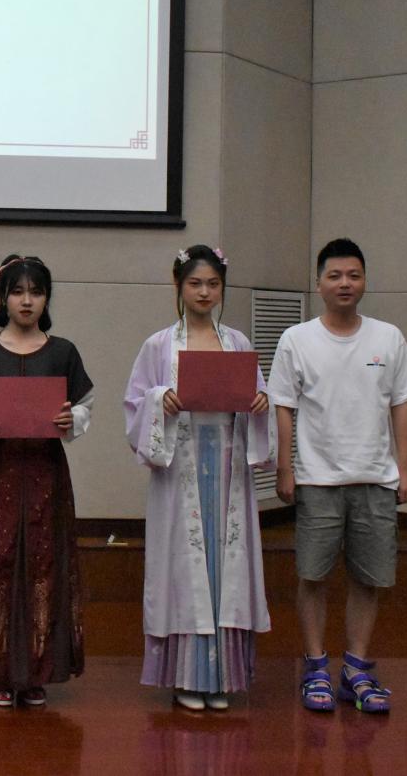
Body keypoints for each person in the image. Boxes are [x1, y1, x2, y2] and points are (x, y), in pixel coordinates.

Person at [268, 237, 407, 714]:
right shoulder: (297, 339)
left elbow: (401, 404)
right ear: (318, 283)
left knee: (367, 578)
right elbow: (283, 407)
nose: (344, 283)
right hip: (317, 479)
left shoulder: (388, 337)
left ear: (364, 281)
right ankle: (315, 665)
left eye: (353, 275)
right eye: (334, 275)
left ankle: (356, 669)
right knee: (312, 576)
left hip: (375, 478)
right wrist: (285, 467)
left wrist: (406, 468)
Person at [123, 245, 274, 711]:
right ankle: (186, 676)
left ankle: (222, 676)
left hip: (228, 469)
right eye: (195, 283)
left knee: (226, 563)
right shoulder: (159, 345)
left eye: (212, 284)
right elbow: (135, 404)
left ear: (222, 287)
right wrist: (160, 399)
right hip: (180, 469)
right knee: (183, 565)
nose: (204, 292)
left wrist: (260, 403)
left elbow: (259, 395)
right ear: (178, 285)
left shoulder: (238, 343)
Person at [0, 254, 93, 707]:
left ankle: (37, 671)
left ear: (47, 298)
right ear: (3, 297)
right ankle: (0, 672)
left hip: (46, 473)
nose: (27, 301)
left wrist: (71, 419)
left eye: (36, 292)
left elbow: (85, 405)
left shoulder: (63, 351)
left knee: (44, 564)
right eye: (17, 291)